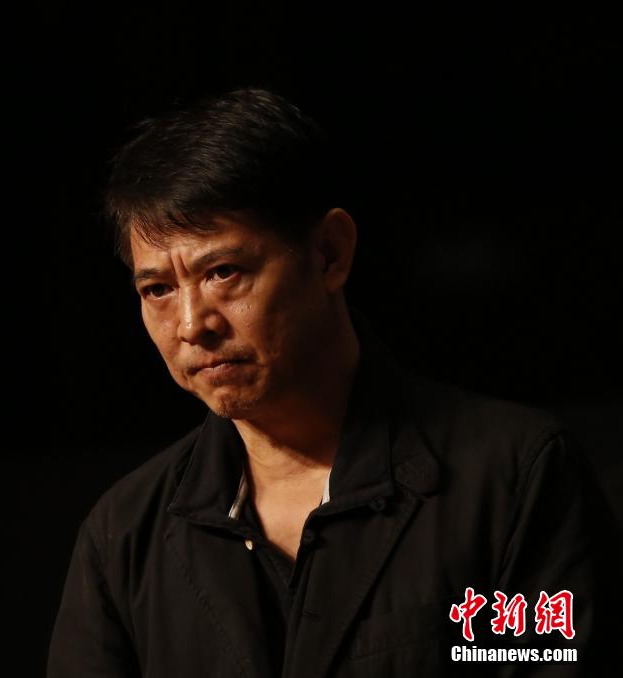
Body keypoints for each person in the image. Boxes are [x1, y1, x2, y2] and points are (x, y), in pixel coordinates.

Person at [46, 88, 621, 677]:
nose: (193, 325)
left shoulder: (514, 476)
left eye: (223, 272)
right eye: (158, 290)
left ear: (329, 254)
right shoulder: (122, 535)